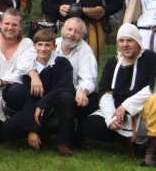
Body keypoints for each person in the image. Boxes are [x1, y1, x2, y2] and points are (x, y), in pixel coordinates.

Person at [84, 24, 156, 167]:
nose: (125, 44)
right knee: (90, 125)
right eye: (121, 41)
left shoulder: (151, 59)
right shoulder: (113, 63)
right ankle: (129, 143)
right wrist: (110, 118)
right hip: (119, 113)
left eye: (129, 40)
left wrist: (127, 106)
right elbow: (105, 92)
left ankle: (155, 149)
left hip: (144, 113)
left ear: (138, 42)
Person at [20, 17, 99, 152]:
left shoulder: (86, 51)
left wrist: (83, 91)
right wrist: (33, 75)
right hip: (47, 90)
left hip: (72, 92)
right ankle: (44, 129)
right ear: (62, 30)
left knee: (87, 100)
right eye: (69, 29)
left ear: (83, 35)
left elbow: (88, 76)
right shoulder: (50, 43)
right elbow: (24, 61)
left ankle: (71, 138)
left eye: (77, 32)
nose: (72, 34)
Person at [2, 28, 76, 154]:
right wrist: (32, 129)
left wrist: (42, 104)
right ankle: (40, 133)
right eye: (40, 44)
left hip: (54, 109)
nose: (43, 48)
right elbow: (29, 99)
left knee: (66, 97)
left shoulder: (63, 63)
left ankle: (63, 141)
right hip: (35, 111)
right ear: (34, 46)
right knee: (8, 128)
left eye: (47, 45)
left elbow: (65, 87)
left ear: (54, 47)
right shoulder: (30, 68)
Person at [0, 8, 33, 143]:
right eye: (7, 24)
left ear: (20, 27)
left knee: (17, 90)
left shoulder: (27, 44)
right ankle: (8, 125)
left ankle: (15, 118)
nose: (10, 27)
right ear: (0, 24)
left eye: (14, 24)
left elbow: (23, 72)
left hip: (13, 94)